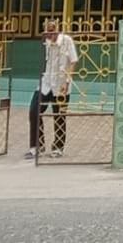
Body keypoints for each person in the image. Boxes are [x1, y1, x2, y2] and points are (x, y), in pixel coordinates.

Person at [26, 19, 78, 159]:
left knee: (59, 116)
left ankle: (58, 147)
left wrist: (67, 81)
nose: (49, 35)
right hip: (46, 82)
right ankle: (37, 146)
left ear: (57, 29)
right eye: (47, 32)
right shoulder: (47, 42)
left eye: (51, 31)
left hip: (61, 83)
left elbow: (73, 61)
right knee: (34, 110)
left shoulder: (66, 41)